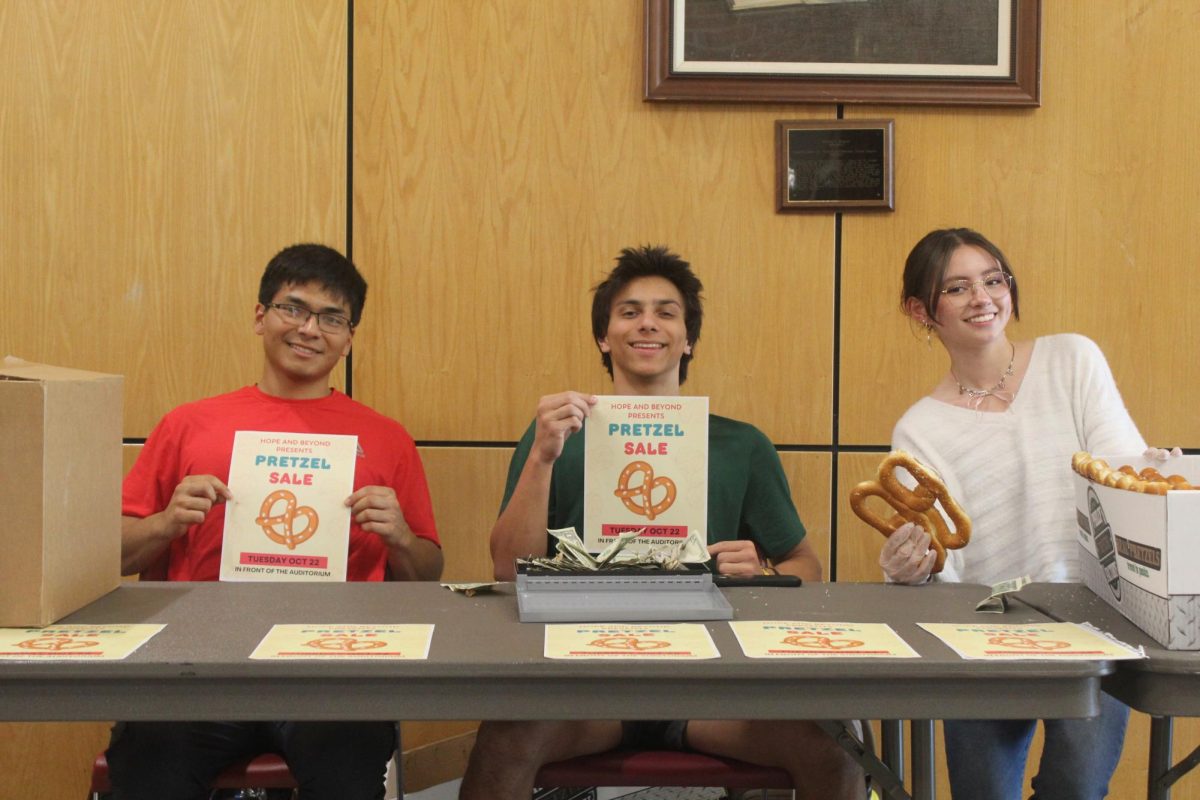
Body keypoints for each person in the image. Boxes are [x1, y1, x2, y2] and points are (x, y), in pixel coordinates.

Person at [460, 245, 863, 800]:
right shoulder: (554, 437)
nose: (647, 322)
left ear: (687, 338)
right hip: (587, 684)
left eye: (666, 312)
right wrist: (542, 457)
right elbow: (508, 567)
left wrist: (764, 571)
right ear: (604, 337)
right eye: (628, 312)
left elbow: (807, 568)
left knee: (835, 751)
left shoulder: (742, 444)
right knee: (503, 742)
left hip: (713, 688)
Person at [108, 244, 443, 800]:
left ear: (349, 338)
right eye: (294, 308)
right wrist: (166, 524)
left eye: (332, 318)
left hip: (329, 673)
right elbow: (108, 557)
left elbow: (428, 573)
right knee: (150, 760)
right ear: (260, 316)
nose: (311, 329)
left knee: (349, 763)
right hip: (196, 669)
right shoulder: (188, 424)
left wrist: (401, 538)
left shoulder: (387, 437)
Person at [881, 227, 1146, 800]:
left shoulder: (1072, 358)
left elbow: (1121, 474)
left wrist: (1154, 476)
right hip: (984, 634)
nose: (983, 297)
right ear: (921, 310)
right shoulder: (918, 429)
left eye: (993, 279)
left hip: (1096, 620)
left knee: (1078, 789)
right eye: (957, 287)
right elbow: (940, 556)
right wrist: (912, 566)